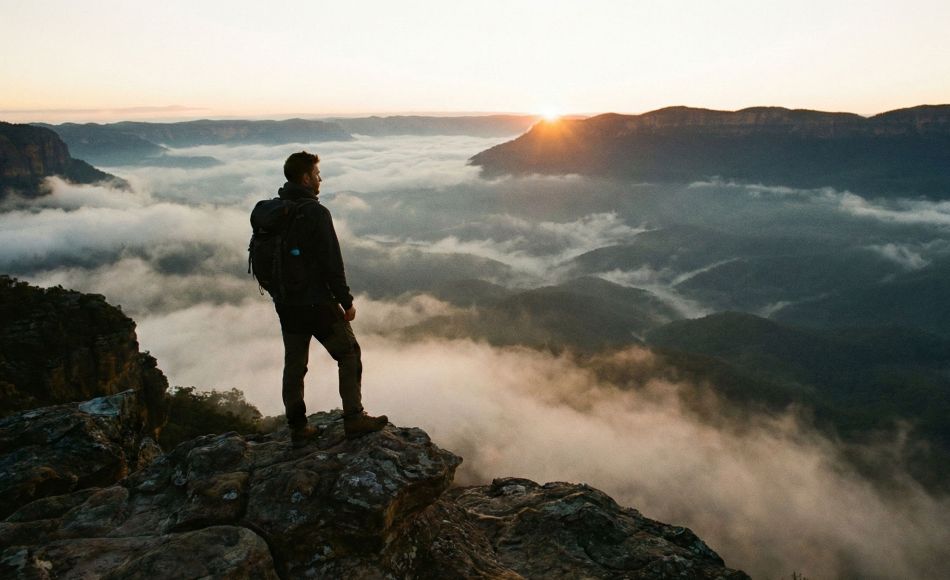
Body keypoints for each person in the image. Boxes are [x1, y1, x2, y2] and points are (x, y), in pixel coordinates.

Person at [273, 151, 387, 446]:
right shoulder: (315, 213)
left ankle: (298, 429)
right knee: (349, 353)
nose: (320, 179)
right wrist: (346, 301)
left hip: (286, 304)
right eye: (317, 174)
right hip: (317, 303)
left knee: (294, 365)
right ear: (306, 178)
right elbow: (331, 263)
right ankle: (354, 418)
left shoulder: (275, 211)